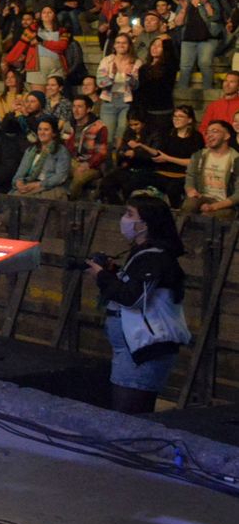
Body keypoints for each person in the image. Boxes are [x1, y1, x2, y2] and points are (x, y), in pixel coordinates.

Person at [88, 196, 192, 414]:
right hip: (132, 349)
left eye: (129, 214)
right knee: (127, 413)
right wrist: (112, 273)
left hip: (144, 350)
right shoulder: (143, 254)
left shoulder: (156, 257)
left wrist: (102, 277)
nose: (124, 219)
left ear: (144, 225)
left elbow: (133, 298)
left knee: (130, 416)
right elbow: (134, 286)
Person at [181, 119, 239, 219]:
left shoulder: (236, 159)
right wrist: (190, 190)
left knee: (207, 217)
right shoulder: (199, 155)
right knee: (188, 205)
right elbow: (190, 176)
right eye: (207, 132)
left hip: (224, 202)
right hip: (202, 197)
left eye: (215, 131)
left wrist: (213, 206)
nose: (209, 135)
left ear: (227, 136)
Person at [12, 117, 71, 198]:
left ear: (53, 133)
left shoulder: (61, 151)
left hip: (51, 187)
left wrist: (38, 184)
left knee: (28, 200)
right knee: (12, 197)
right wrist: (19, 183)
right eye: (40, 129)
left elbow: (60, 177)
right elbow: (19, 174)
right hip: (29, 184)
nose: (42, 133)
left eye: (46, 130)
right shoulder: (30, 150)